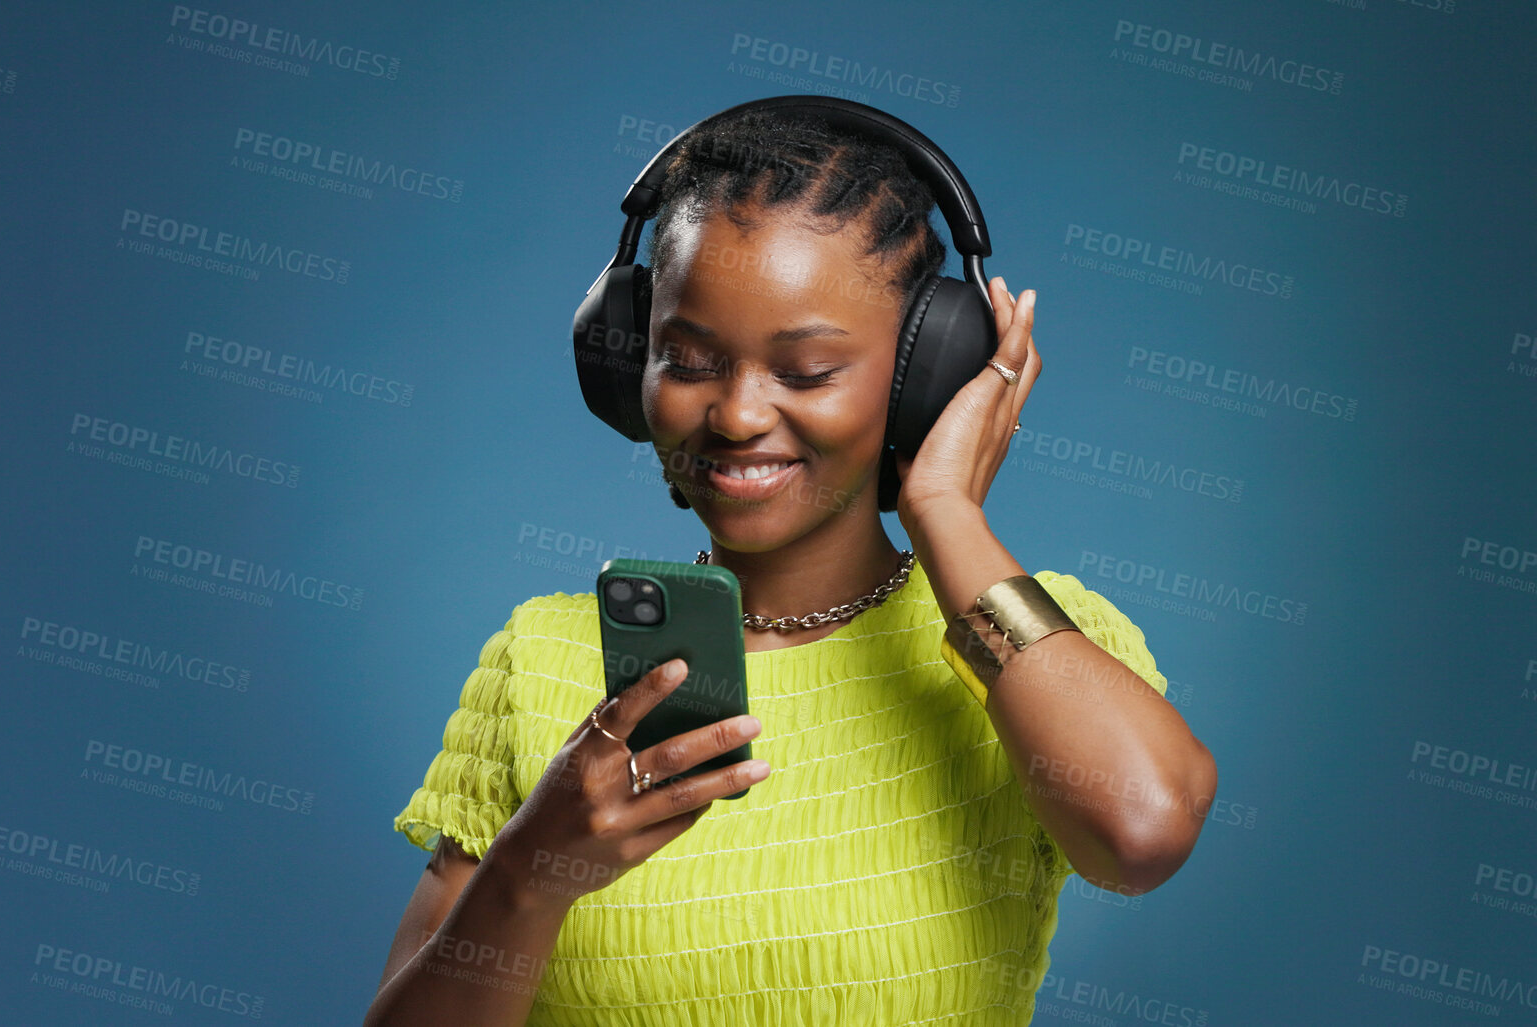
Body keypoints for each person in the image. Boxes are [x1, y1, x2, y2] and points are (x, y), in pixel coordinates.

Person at [364, 104, 1217, 1027]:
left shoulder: (1025, 641)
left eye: (806, 372)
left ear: (923, 375)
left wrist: (944, 510)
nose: (734, 415)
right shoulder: (539, 660)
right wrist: (530, 873)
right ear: (626, 365)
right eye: (685, 360)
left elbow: (1141, 836)